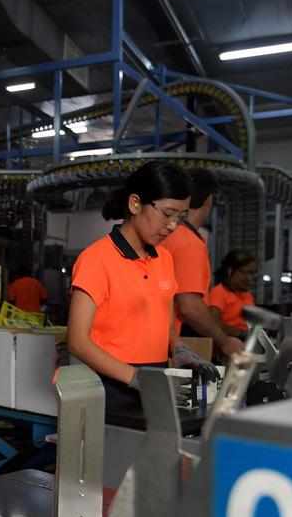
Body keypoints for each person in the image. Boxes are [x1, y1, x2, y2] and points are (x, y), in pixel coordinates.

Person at [67, 160, 217, 412]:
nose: (172, 225)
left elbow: (165, 324)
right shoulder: (96, 260)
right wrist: (135, 378)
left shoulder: (165, 259)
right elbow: (77, 341)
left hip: (154, 383)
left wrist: (180, 349)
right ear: (135, 204)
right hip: (108, 389)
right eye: (167, 214)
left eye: (180, 217)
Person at [162, 168, 244, 359]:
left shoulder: (170, 235)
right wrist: (225, 342)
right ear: (209, 199)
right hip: (180, 340)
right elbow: (189, 306)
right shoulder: (187, 243)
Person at [208, 249, 257, 337]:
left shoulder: (248, 296)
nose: (250, 278)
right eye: (245, 273)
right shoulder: (219, 292)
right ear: (230, 270)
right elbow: (213, 322)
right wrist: (240, 333)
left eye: (252, 274)